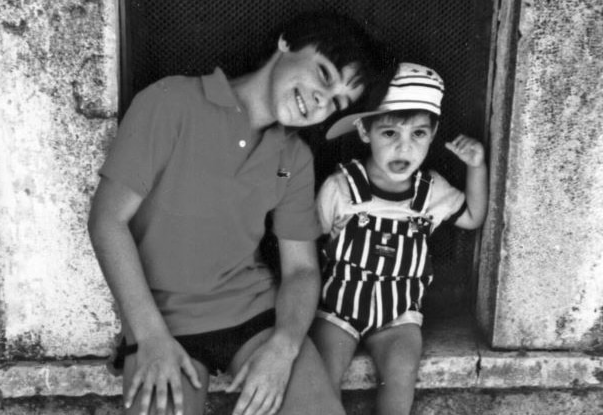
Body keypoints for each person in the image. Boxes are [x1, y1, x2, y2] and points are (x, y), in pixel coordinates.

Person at [87, 12, 389, 415]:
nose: (322, 100)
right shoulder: (170, 101)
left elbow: (300, 269)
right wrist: (148, 337)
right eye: (323, 74)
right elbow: (107, 222)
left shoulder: (294, 157)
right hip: (161, 318)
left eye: (337, 102)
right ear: (285, 43)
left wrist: (284, 347)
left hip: (252, 314)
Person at [311, 62, 488, 415]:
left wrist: (477, 166)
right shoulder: (341, 188)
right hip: (338, 310)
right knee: (321, 374)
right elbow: (310, 241)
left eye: (418, 134)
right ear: (364, 131)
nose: (403, 148)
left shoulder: (432, 190)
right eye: (389, 133)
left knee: (401, 374)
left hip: (397, 315)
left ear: (433, 133)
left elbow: (472, 218)